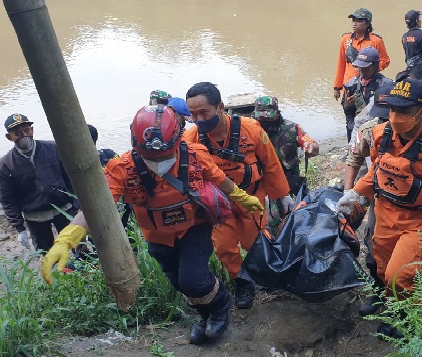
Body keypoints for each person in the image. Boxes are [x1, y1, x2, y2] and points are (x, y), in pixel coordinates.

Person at [41, 105, 266, 345]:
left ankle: (220, 303)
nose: (159, 163)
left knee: (194, 280)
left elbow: (220, 180)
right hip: (157, 236)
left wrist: (244, 198)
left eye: (165, 156)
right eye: (151, 158)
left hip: (193, 228)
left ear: (178, 139)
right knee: (179, 282)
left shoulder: (195, 155)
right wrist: (67, 237)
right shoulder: (122, 168)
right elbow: (96, 208)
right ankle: (204, 315)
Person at [336, 79, 422, 339]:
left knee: (400, 275)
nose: (395, 117)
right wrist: (355, 194)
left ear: (421, 112)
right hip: (386, 214)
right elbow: (378, 173)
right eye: (391, 110)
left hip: (421, 219)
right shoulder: (380, 134)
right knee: (381, 269)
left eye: (403, 112)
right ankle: (392, 304)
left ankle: (405, 320)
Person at [183, 82, 292, 309]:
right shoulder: (191, 139)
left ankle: (263, 272)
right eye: (193, 114)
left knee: (255, 241)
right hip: (217, 205)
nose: (199, 119)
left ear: (220, 107)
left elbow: (270, 164)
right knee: (224, 246)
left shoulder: (251, 130)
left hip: (251, 197)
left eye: (204, 112)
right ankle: (241, 281)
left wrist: (282, 195)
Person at [344, 82, 393, 316]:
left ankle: (403, 304)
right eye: (380, 117)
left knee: (406, 256)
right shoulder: (369, 130)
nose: (384, 123)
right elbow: (355, 160)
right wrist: (349, 193)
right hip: (380, 197)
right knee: (374, 245)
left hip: (413, 205)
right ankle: (378, 290)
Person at [0, 114, 78, 252]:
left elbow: (71, 177)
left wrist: (77, 205)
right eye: (17, 133)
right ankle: (56, 273)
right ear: (9, 137)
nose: (24, 135)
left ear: (32, 130)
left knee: (77, 245)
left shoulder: (53, 148)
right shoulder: (6, 163)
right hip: (35, 217)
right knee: (46, 253)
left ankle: (83, 270)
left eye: (27, 130)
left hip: (64, 209)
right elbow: (7, 198)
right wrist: (19, 228)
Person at [251, 95, 319, 202]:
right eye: (261, 117)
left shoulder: (291, 128)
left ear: (277, 113)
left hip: (287, 179)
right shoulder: (248, 129)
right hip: (259, 181)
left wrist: (310, 148)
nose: (265, 121)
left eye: (268, 117)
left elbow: (312, 145)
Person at [333, 7, 391, 103]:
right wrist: (337, 86)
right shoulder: (346, 39)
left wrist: (370, 70)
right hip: (349, 85)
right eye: (353, 20)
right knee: (349, 114)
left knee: (368, 114)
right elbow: (341, 62)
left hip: (369, 86)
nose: (354, 23)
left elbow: (385, 60)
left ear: (367, 23)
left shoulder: (376, 41)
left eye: (359, 21)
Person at [341, 47, 395, 141]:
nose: (362, 71)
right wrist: (348, 106)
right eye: (360, 67)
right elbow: (348, 115)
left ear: (375, 66)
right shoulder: (351, 84)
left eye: (365, 68)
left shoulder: (386, 86)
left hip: (377, 131)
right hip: (356, 128)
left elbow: (390, 114)